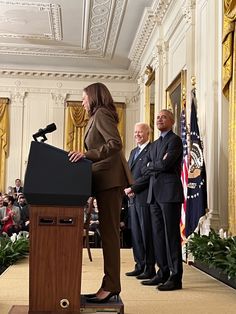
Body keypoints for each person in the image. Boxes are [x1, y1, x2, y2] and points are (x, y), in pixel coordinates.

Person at [68, 82, 132, 303]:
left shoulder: (102, 113)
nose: (83, 102)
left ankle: (112, 285)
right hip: (104, 181)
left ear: (94, 97)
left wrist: (87, 154)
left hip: (110, 181)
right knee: (108, 234)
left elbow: (115, 144)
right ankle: (109, 283)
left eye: (84, 98)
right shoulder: (97, 116)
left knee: (110, 234)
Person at [125, 109, 184, 291]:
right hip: (154, 195)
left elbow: (165, 164)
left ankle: (175, 277)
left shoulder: (175, 140)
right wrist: (154, 165)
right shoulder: (156, 144)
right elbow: (145, 168)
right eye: (157, 117)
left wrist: (153, 165)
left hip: (169, 193)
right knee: (158, 236)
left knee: (171, 236)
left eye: (163, 117)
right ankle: (162, 272)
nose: (159, 119)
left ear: (172, 121)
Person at [125, 123, 155, 280]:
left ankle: (149, 268)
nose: (137, 135)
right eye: (135, 132)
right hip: (132, 199)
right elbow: (129, 173)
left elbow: (149, 175)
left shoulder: (152, 150)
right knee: (136, 233)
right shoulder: (133, 151)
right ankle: (139, 265)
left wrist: (133, 189)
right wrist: (126, 188)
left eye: (140, 132)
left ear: (147, 134)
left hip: (144, 197)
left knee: (146, 233)